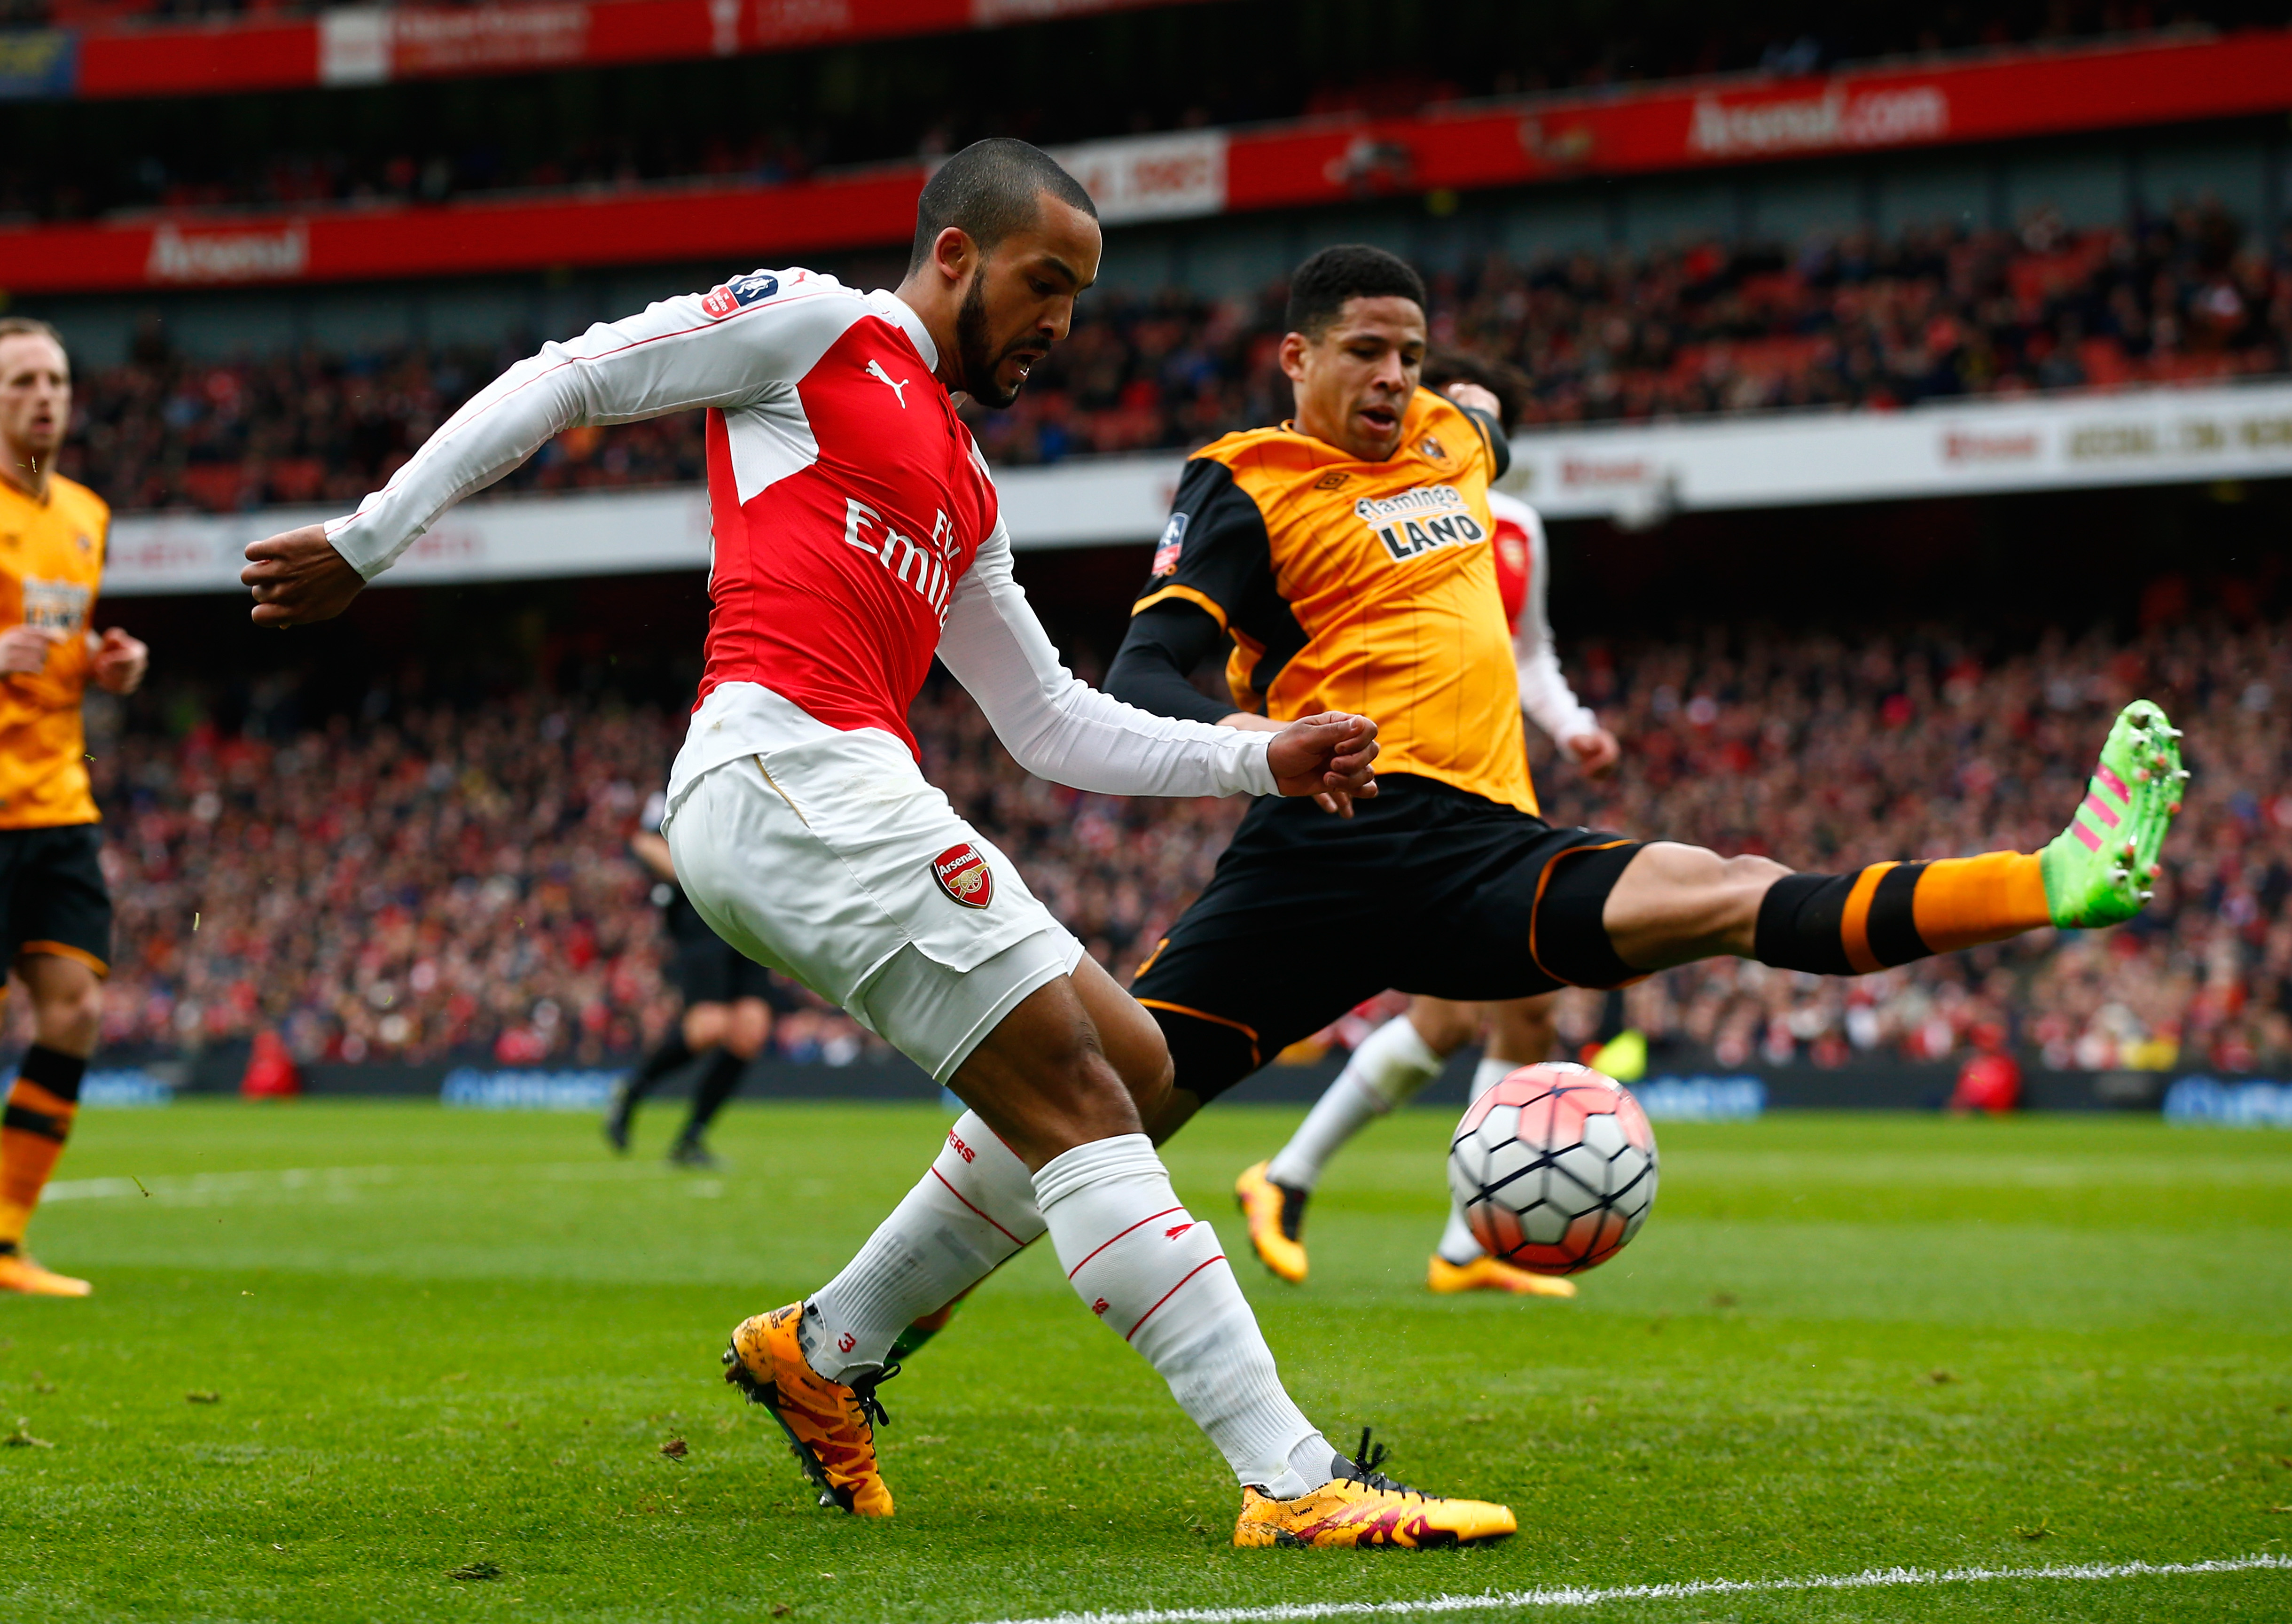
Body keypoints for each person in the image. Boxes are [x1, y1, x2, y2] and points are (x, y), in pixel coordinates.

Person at [241, 141, 1515, 1549]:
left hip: (845, 788)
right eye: (1045, 285)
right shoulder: (818, 325)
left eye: (1081, 300)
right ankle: (1294, 1480)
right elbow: (574, 374)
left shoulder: (965, 484)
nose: (1061, 326)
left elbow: (1048, 723)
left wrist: (1253, 756)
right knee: (1085, 1097)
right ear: (956, 256)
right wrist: (371, 537)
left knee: (1138, 1068)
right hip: (783, 766)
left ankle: (824, 1351)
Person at [1103, 241, 2182, 1151]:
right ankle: (924, 1293)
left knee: (1730, 888)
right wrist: (1258, 742)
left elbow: (1486, 423)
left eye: (1411, 356)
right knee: (1107, 1115)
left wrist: (1476, 406)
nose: (1394, 376)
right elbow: (1140, 675)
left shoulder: (1451, 441)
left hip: (1482, 847)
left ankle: (2048, 879)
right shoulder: (1244, 479)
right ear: (1295, 357)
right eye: (1366, 352)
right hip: (1325, 843)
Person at [1236, 351, 1623, 1300]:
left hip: (1498, 782)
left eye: (1494, 420)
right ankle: (1320, 1188)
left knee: (1489, 1010)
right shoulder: (1374, 501)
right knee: (1494, 1003)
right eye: (1460, 410)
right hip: (1402, 781)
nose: (1475, 430)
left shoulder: (1517, 528)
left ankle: (1441, 1234)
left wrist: (1574, 729)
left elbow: (1526, 655)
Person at [0, 317, 151, 1297]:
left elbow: (57, 634)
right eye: (21, 384)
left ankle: (5, 1240)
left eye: (55, 379)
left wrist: (109, 662)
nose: (44, 396)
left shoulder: (87, 514)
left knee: (77, 1009)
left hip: (55, 798)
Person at [604, 787, 773, 1168]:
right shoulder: (682, 782)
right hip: (699, 913)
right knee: (710, 1026)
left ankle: (690, 1139)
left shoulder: (754, 782)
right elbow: (645, 841)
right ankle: (632, 1091)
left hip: (745, 914)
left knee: (750, 1031)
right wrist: (699, 876)